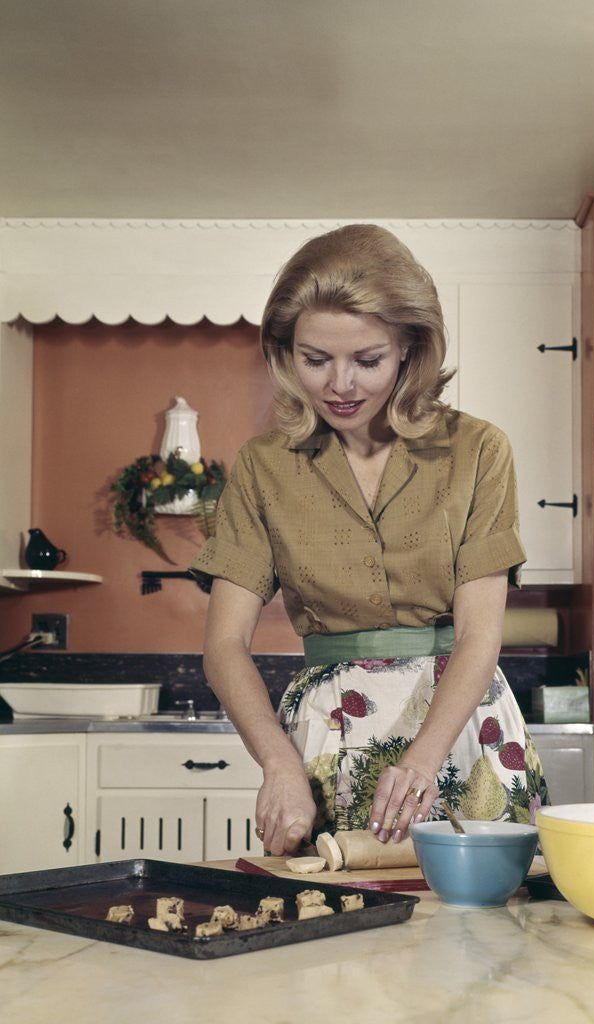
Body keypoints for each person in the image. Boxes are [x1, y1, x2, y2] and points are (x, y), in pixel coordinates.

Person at [190, 224, 549, 857]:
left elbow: (478, 635)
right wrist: (278, 762)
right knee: (330, 913)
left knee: (484, 915)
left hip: (460, 729)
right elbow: (223, 645)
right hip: (331, 733)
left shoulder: (477, 451)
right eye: (315, 360)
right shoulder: (263, 466)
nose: (340, 385)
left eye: (367, 360)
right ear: (285, 352)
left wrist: (422, 760)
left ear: (409, 346)